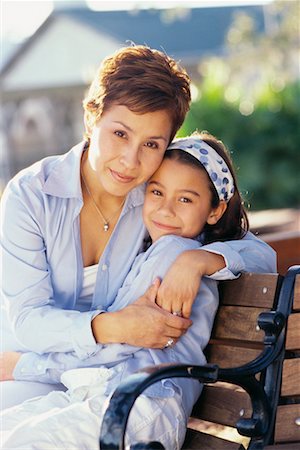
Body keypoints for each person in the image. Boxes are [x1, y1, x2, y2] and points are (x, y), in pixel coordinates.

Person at [0, 45, 276, 410]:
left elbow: (259, 254)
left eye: (151, 144)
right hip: (32, 370)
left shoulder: (159, 200)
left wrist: (198, 260)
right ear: (91, 118)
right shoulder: (32, 195)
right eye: (120, 134)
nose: (131, 161)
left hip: (115, 384)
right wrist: (116, 326)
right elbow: (28, 322)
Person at [1, 133, 272, 449]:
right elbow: (259, 252)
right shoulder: (161, 249)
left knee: (22, 441)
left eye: (185, 199)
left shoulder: (173, 252)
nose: (166, 210)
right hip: (116, 395)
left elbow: (119, 343)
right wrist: (198, 259)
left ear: (215, 211)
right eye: (157, 192)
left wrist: (23, 365)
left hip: (147, 404)